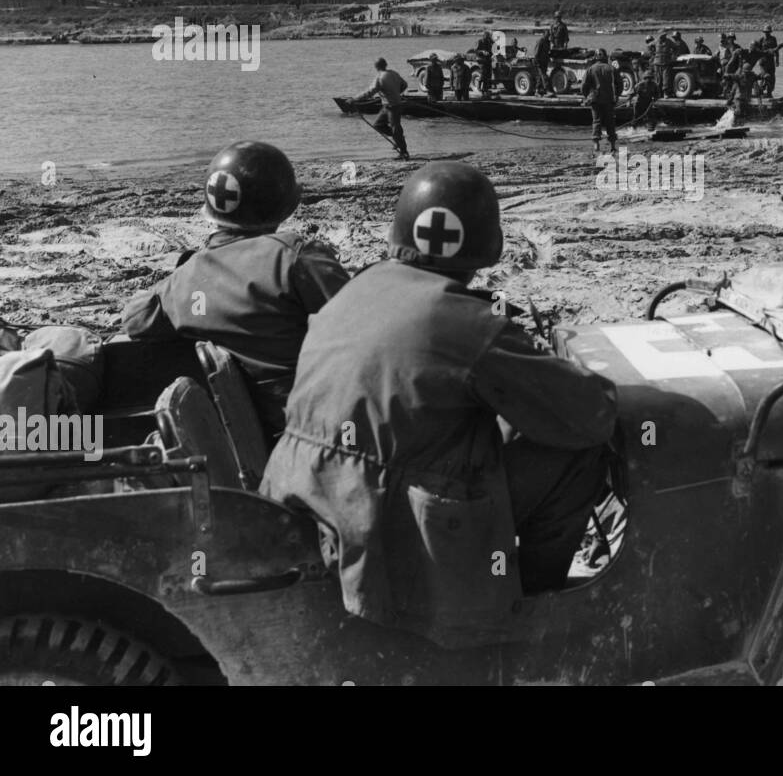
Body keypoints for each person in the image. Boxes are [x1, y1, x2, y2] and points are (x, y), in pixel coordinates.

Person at [259, 162, 617, 635]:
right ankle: (534, 612)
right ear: (487, 243)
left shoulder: (359, 287)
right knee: (578, 458)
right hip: (388, 520)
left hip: (309, 496)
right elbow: (589, 416)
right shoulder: (469, 322)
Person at [121, 141, 350, 442]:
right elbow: (364, 324)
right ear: (286, 205)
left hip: (254, 436)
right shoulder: (294, 258)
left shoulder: (186, 278)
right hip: (320, 428)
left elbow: (136, 320)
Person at [353, 57, 410, 159]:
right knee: (378, 125)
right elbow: (405, 85)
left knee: (395, 129)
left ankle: (404, 152)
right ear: (385, 65)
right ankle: (398, 139)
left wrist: (355, 99)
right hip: (389, 106)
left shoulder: (380, 77)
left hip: (393, 107)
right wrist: (397, 93)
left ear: (376, 67)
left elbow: (370, 92)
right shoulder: (394, 73)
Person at [583, 48, 619, 156]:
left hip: (595, 100)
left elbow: (584, 85)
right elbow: (619, 83)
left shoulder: (591, 69)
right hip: (609, 99)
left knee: (596, 121)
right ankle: (612, 146)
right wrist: (617, 95)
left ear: (596, 56)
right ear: (605, 56)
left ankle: (596, 146)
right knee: (610, 122)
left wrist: (587, 96)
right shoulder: (612, 69)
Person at [653, 30, 675, 98]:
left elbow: (675, 47)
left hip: (666, 62)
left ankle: (665, 93)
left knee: (666, 79)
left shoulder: (669, 41)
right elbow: (649, 46)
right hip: (657, 63)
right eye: (662, 35)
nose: (664, 36)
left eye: (664, 35)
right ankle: (658, 93)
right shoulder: (656, 41)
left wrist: (673, 55)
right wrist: (653, 54)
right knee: (658, 79)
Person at [533, 29, 554, 96]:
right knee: (544, 76)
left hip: (545, 62)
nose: (548, 36)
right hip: (539, 62)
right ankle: (547, 90)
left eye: (549, 35)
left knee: (540, 77)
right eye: (547, 34)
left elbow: (548, 52)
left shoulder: (548, 42)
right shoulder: (540, 41)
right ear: (544, 34)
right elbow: (536, 53)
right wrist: (537, 61)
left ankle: (537, 91)